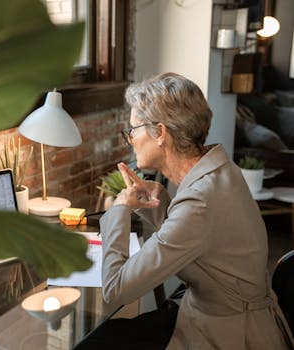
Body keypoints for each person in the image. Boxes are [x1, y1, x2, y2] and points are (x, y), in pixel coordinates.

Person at [75, 73, 293, 349]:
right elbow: (203, 240)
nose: (129, 139)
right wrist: (161, 203)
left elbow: (116, 290)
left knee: (96, 342)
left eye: (133, 130)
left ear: (160, 133)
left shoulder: (199, 202)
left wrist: (119, 208)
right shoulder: (220, 169)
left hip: (228, 335)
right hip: (207, 314)